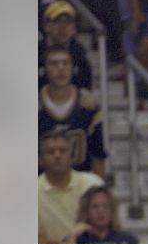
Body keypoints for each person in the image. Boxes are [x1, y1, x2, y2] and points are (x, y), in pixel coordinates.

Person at [38, 45, 106, 177]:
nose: (61, 68)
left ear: (73, 68)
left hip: (80, 186)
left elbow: (99, 156)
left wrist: (96, 189)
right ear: (45, 69)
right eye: (54, 64)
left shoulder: (88, 107)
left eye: (65, 63)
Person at [39, 130, 105, 244]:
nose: (57, 155)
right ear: (40, 159)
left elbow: (109, 226)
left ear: (71, 157)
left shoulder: (93, 183)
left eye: (63, 151)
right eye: (51, 152)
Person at [69, 185, 141, 244]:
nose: (101, 211)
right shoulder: (79, 239)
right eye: (95, 206)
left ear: (112, 210)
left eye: (105, 206)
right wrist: (72, 236)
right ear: (86, 211)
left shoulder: (128, 239)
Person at [38, 0, 93, 91]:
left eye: (68, 22)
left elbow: (85, 88)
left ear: (74, 28)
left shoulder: (80, 57)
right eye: (57, 21)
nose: (63, 27)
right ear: (46, 25)